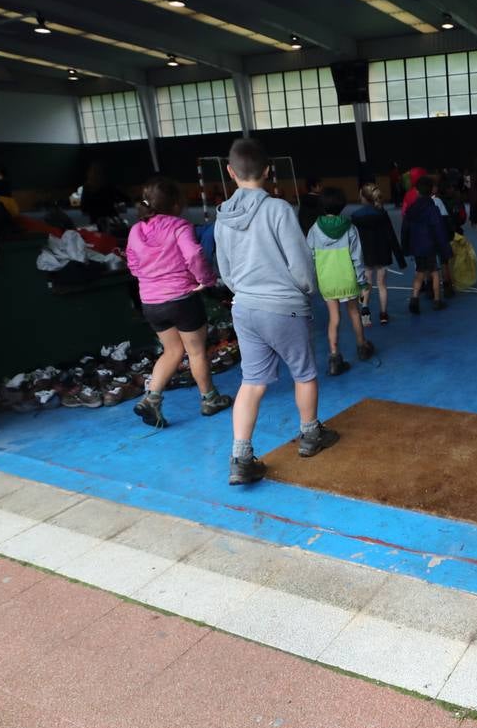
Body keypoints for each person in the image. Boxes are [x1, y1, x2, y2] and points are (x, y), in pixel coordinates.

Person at [215, 138, 339, 486]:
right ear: (269, 171)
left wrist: (244, 292)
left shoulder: (222, 217)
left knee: (252, 382)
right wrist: (305, 290)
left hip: (245, 308)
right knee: (303, 372)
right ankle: (311, 434)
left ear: (230, 172)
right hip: (284, 307)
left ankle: (240, 457)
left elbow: (224, 270)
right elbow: (299, 264)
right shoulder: (279, 209)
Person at [125, 176, 233, 427]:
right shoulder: (178, 225)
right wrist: (206, 279)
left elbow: (132, 263)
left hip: (151, 303)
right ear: (175, 204)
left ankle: (151, 398)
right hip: (182, 299)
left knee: (172, 351)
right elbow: (194, 254)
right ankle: (210, 400)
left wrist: (150, 279)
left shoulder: (135, 230)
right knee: (195, 351)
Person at [306, 186, 373, 376]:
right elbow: (357, 258)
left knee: (334, 318)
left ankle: (334, 358)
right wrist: (361, 281)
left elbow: (309, 257)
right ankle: (362, 347)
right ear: (342, 205)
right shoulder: (350, 228)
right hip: (347, 279)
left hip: (327, 281)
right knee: (354, 312)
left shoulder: (313, 230)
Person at [352, 184, 406, 325]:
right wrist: (401, 260)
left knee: (366, 285)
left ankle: (365, 312)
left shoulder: (355, 216)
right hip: (382, 253)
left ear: (363, 198)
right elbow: (391, 236)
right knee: (381, 284)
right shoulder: (382, 213)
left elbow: (353, 237)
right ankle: (383, 314)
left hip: (366, 254)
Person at [400, 175, 451, 314]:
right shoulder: (433, 209)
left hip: (416, 246)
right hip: (430, 245)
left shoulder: (411, 209)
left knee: (419, 272)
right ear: (431, 191)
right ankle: (437, 300)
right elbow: (438, 229)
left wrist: (405, 246)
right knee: (434, 272)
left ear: (416, 191)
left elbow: (405, 229)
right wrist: (444, 248)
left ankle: (414, 299)